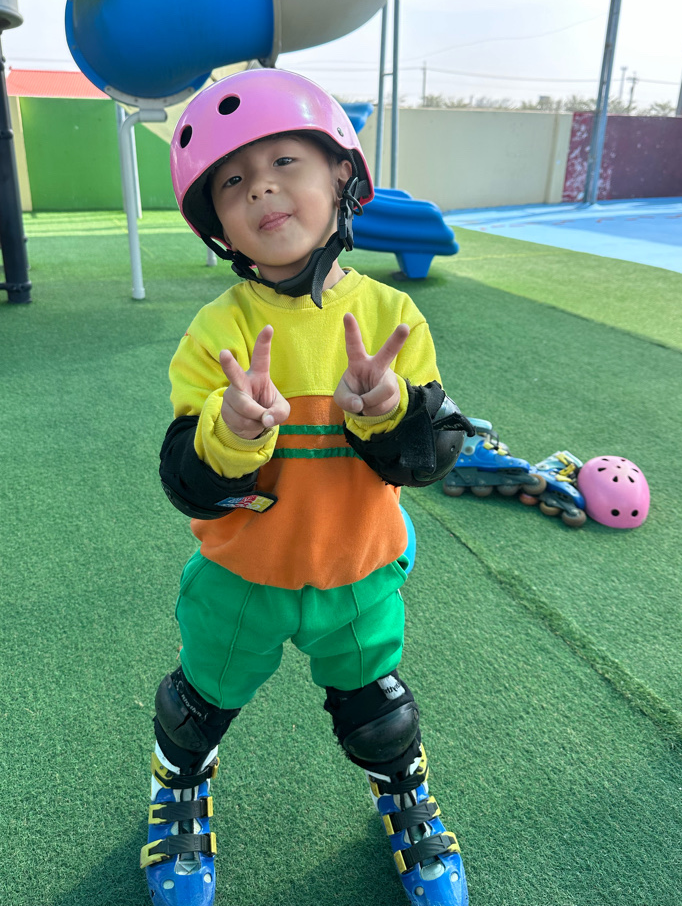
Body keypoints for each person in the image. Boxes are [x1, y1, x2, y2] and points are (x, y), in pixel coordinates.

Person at [142, 68, 472, 906]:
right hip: (242, 578)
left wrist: (389, 411)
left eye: (285, 161)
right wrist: (233, 432)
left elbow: (427, 459)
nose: (261, 187)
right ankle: (177, 789)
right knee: (196, 708)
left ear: (342, 178)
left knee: (380, 715)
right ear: (217, 224)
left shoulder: (393, 318)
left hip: (356, 575)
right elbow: (188, 482)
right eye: (232, 182)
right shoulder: (217, 331)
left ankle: (404, 797)